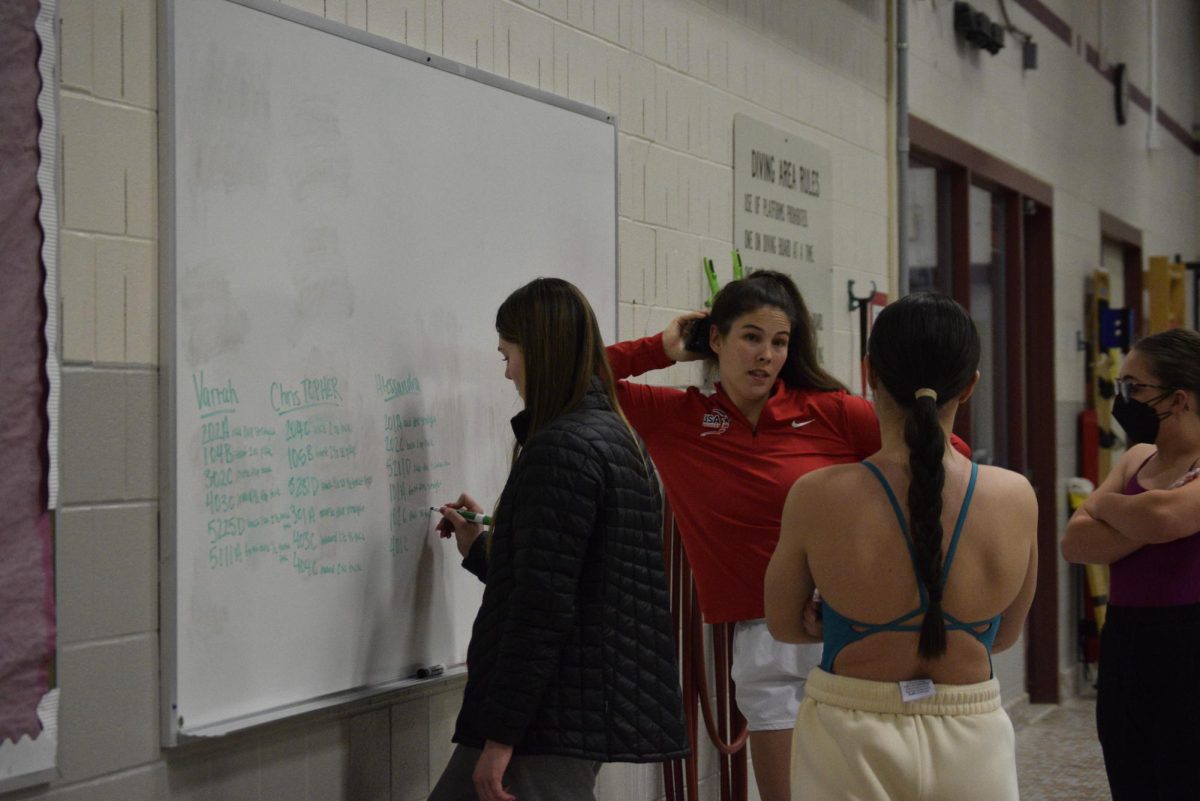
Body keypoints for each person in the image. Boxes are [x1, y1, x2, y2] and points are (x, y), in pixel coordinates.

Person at [606, 271, 969, 801]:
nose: (766, 355)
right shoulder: (678, 417)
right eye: (751, 337)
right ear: (716, 339)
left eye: (780, 342)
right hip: (763, 638)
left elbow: (945, 456)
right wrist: (658, 347)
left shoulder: (831, 412)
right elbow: (571, 378)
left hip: (847, 629)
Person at [764, 291, 1038, 801]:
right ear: (971, 385)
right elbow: (1002, 636)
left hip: (850, 732)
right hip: (972, 732)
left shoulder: (818, 495)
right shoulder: (1015, 497)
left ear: (869, 372)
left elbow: (782, 624)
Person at [428, 278, 689, 801]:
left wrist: (500, 739)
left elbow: (542, 607)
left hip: (544, 718)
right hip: (568, 710)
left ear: (539, 353)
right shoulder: (617, 437)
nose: (507, 372)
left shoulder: (562, 448)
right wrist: (482, 547)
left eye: (509, 354)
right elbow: (572, 571)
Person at [1061, 327, 1200, 801]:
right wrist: (1144, 520)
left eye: (1134, 388)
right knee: (1130, 776)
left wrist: (1102, 506)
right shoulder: (1138, 457)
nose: (1123, 400)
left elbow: (1161, 516)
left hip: (1189, 640)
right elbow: (1075, 542)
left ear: (1178, 399)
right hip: (1126, 638)